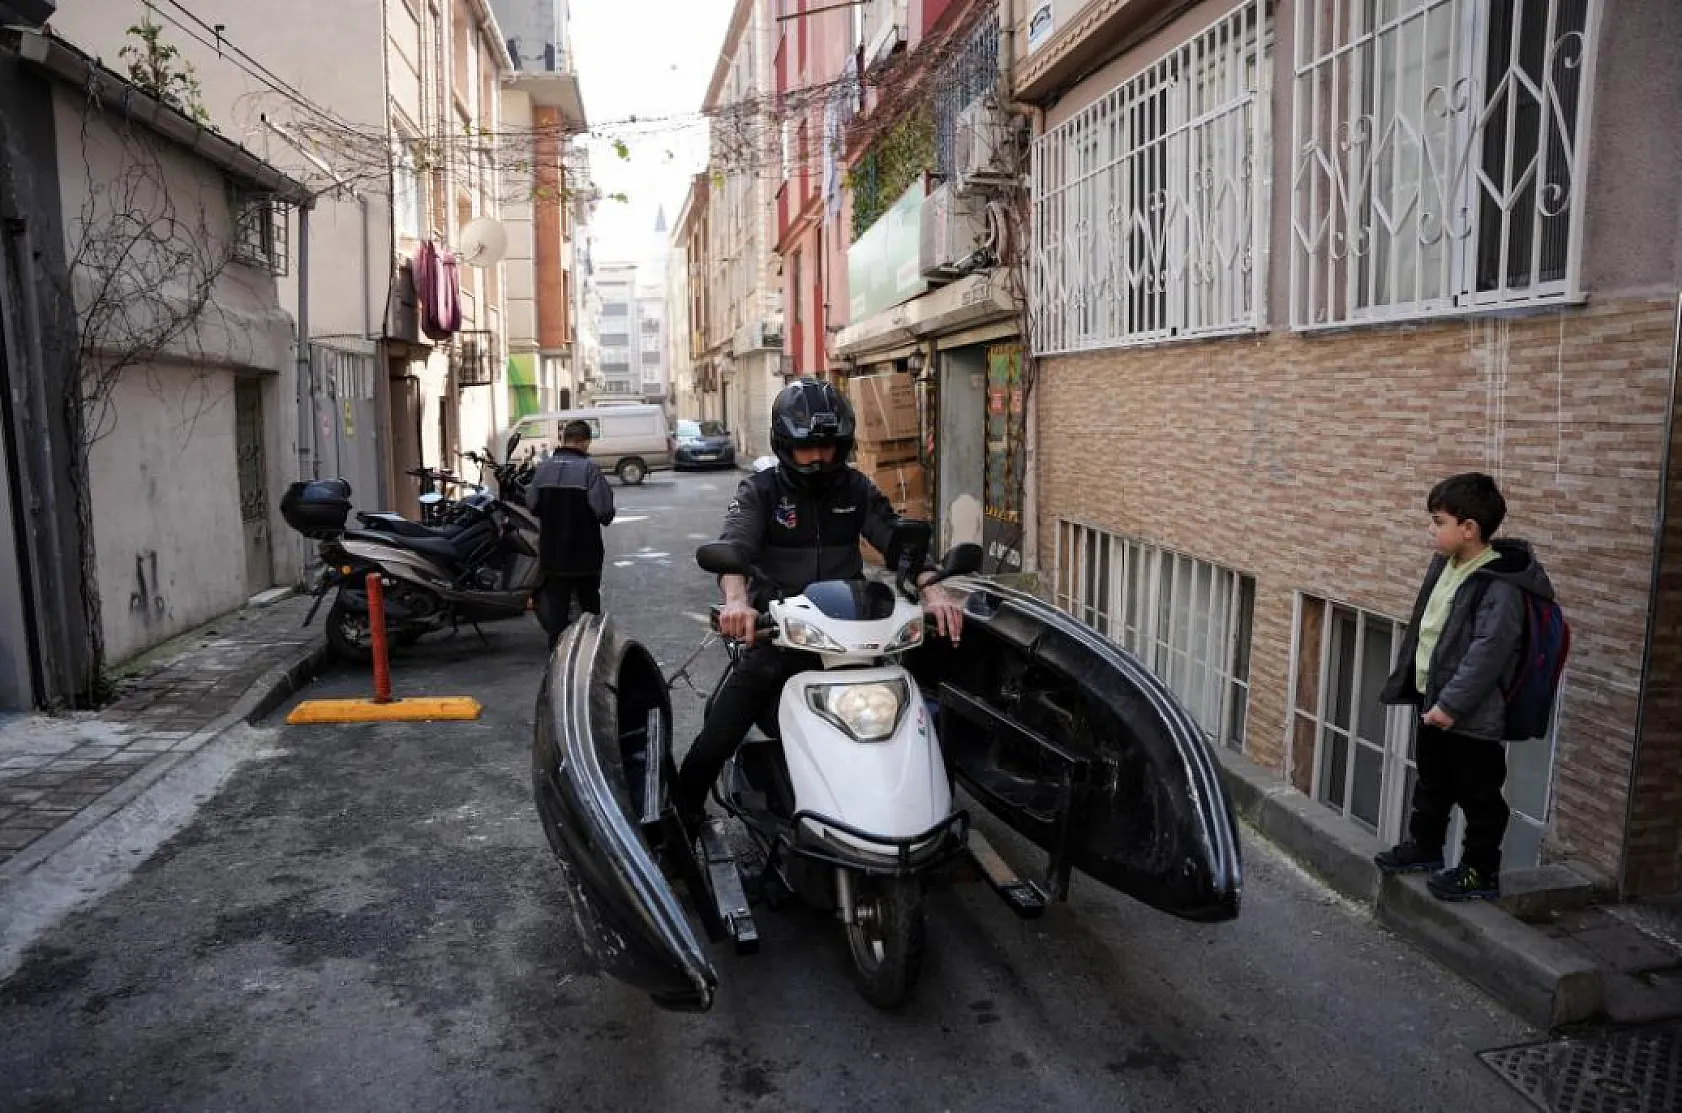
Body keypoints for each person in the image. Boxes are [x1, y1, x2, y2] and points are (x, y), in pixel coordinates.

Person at [674, 378, 965, 830]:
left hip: (854, 635)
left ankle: (925, 814)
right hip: (779, 631)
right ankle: (683, 811)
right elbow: (735, 548)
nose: (818, 458)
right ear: (784, 443)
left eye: (829, 448)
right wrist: (737, 602)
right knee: (721, 730)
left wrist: (933, 588)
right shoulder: (761, 491)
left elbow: (894, 540)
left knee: (925, 714)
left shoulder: (855, 488)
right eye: (807, 448)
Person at [1375, 472, 1555, 901]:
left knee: (1480, 797)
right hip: (1434, 701)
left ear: (1469, 528)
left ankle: (1479, 872)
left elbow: (1487, 655)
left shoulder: (1499, 585)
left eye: (1439, 522)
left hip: (1470, 714)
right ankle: (1426, 848)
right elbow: (1428, 629)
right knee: (1432, 782)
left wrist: (1451, 705)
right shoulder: (1446, 565)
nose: (1432, 530)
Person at [526, 419, 615, 648]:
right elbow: (604, 511)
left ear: (564, 440)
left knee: (557, 610)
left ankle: (557, 657)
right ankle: (591, 654)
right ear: (584, 442)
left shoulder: (543, 468)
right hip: (585, 553)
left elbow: (532, 504)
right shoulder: (589, 469)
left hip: (553, 554)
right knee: (589, 608)